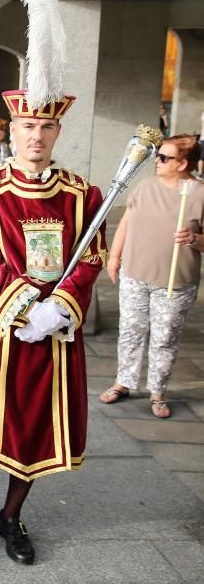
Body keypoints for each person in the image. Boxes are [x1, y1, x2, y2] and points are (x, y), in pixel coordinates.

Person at [0, 87, 103, 565]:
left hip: (54, 335)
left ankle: (11, 515)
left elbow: (91, 258)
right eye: (28, 126)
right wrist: (26, 306)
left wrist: (63, 306)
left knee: (35, 428)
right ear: (12, 130)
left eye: (47, 127)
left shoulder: (82, 194)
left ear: (58, 132)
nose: (38, 135)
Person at [100, 135, 204, 418]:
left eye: (164, 157)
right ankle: (124, 382)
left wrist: (194, 239)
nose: (157, 161)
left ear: (183, 163)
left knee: (165, 337)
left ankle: (158, 391)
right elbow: (126, 221)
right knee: (131, 331)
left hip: (175, 282)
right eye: (158, 155)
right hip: (135, 274)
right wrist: (115, 258)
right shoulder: (145, 186)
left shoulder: (199, 194)